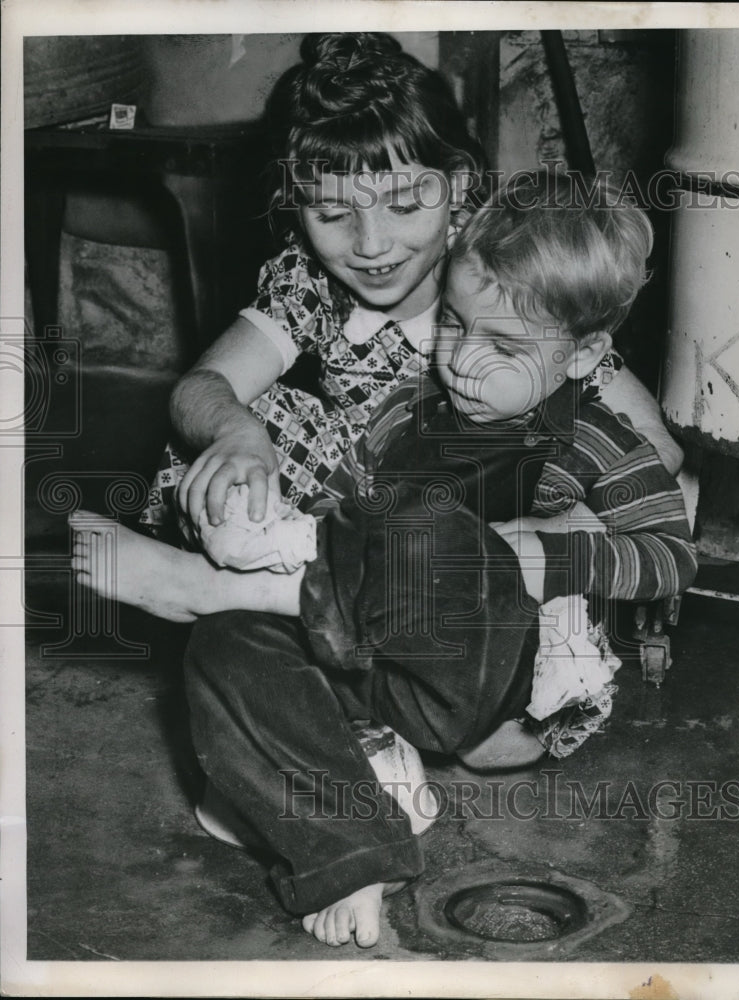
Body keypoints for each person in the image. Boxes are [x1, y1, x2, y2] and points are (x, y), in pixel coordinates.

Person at [71, 172, 697, 949]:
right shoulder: (407, 411)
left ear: (583, 356)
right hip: (382, 660)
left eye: (501, 345)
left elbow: (672, 555)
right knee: (228, 646)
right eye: (458, 325)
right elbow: (345, 527)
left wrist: (548, 556)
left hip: (506, 696)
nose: (464, 360)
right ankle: (351, 849)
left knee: (439, 539)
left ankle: (221, 590)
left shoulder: (600, 439)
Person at [139, 31, 682, 555]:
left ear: (459, 186)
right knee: (245, 423)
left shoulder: (498, 267)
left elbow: (657, 444)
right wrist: (238, 434)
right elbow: (201, 387)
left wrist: (560, 529)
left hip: (497, 498)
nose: (372, 246)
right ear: (295, 206)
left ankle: (232, 590)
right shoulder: (310, 286)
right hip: (368, 501)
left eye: (402, 206)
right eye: (331, 214)